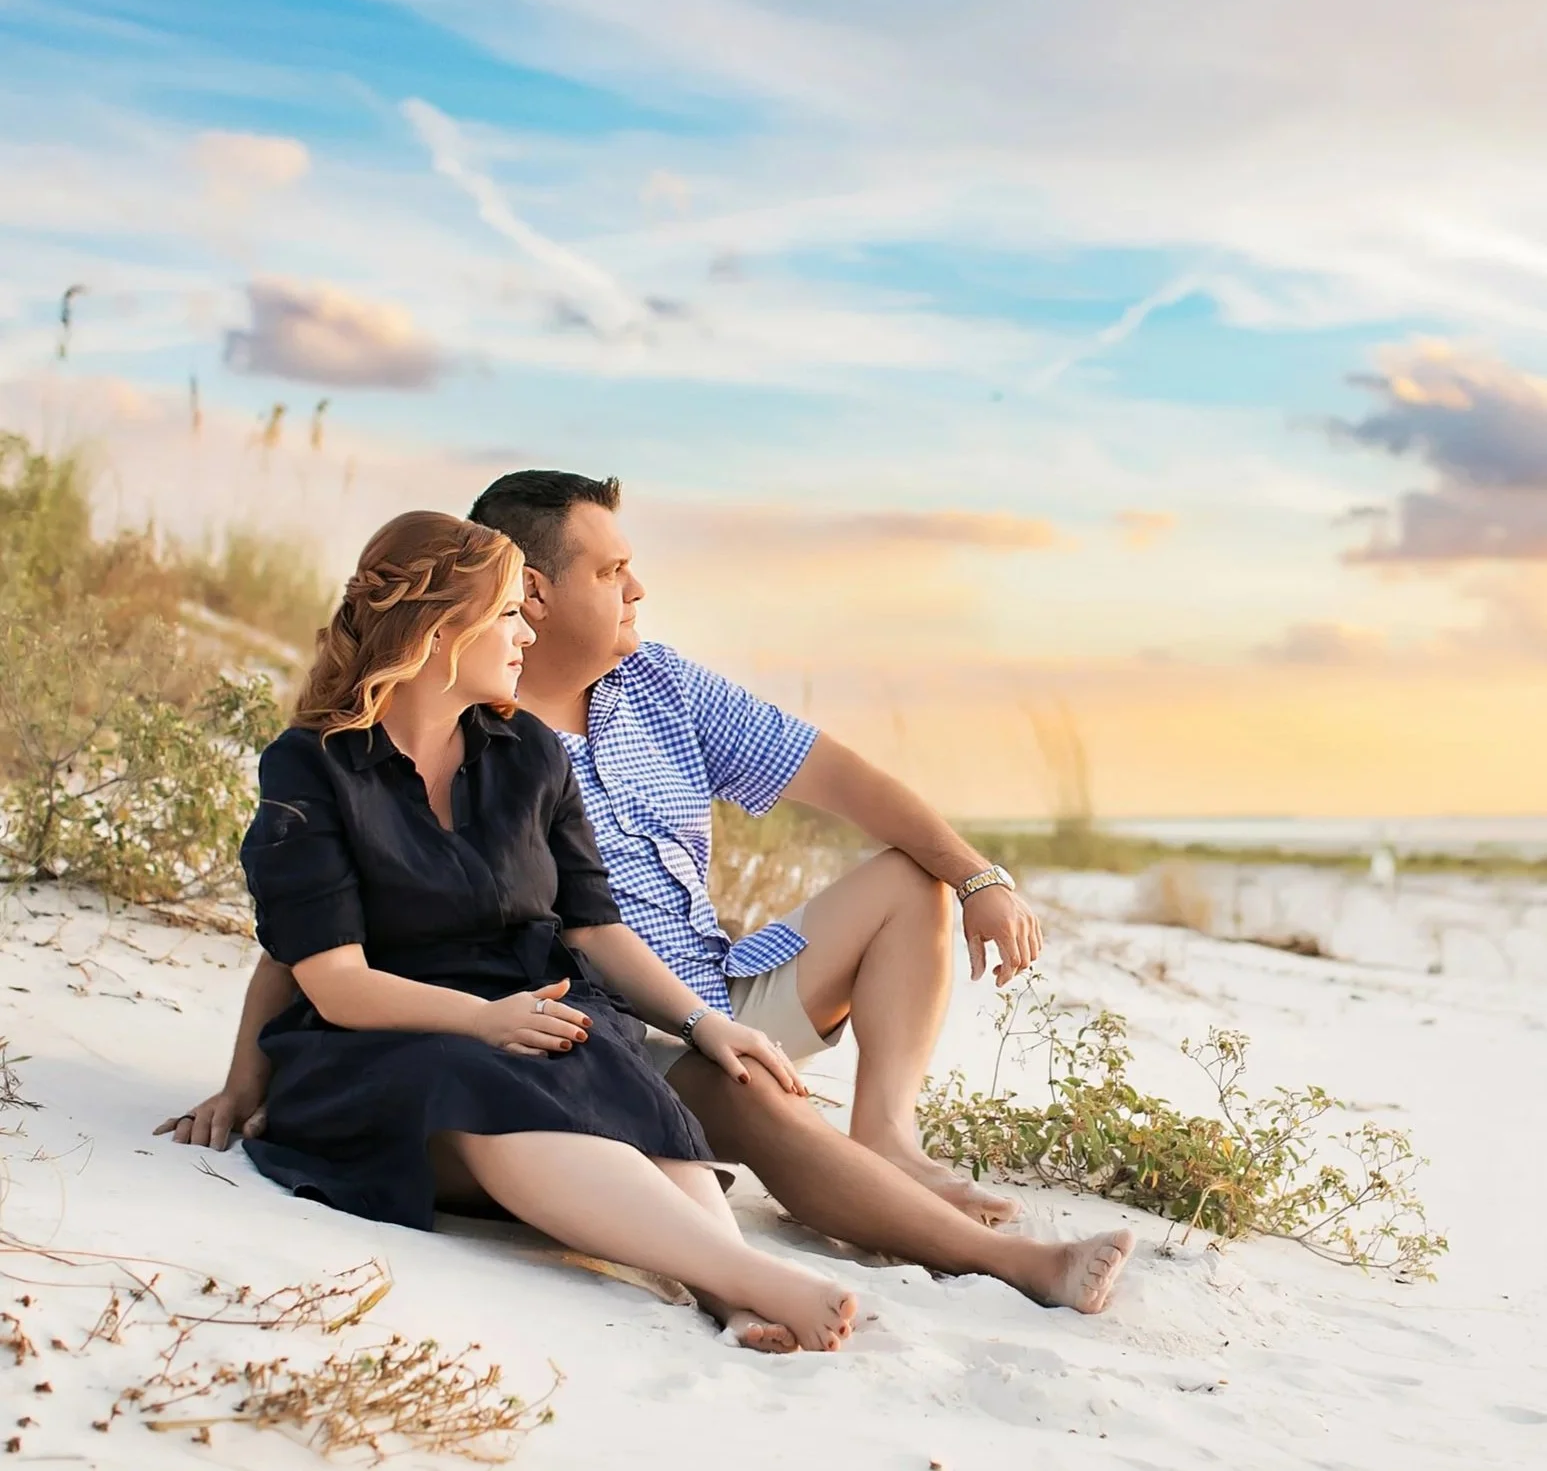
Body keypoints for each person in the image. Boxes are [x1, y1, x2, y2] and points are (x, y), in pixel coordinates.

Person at [160, 477, 1135, 1318]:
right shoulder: (363, 754)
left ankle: (843, 1178)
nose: (632, 588)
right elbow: (315, 937)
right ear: (492, 607)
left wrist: (976, 875)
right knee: (654, 1091)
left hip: (651, 996)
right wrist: (248, 1074)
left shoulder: (586, 717)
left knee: (867, 908)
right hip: (525, 1019)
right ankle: (944, 1269)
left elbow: (635, 900)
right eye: (603, 571)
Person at [208, 509, 858, 1354]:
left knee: (607, 1063)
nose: (527, 630)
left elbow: (593, 928)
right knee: (482, 1069)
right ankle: (757, 1278)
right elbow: (326, 973)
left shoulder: (531, 753)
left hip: (529, 1008)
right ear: (444, 629)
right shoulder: (313, 763)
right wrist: (477, 1020)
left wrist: (707, 1023)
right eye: (510, 612)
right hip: (377, 1041)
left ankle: (729, 1288)